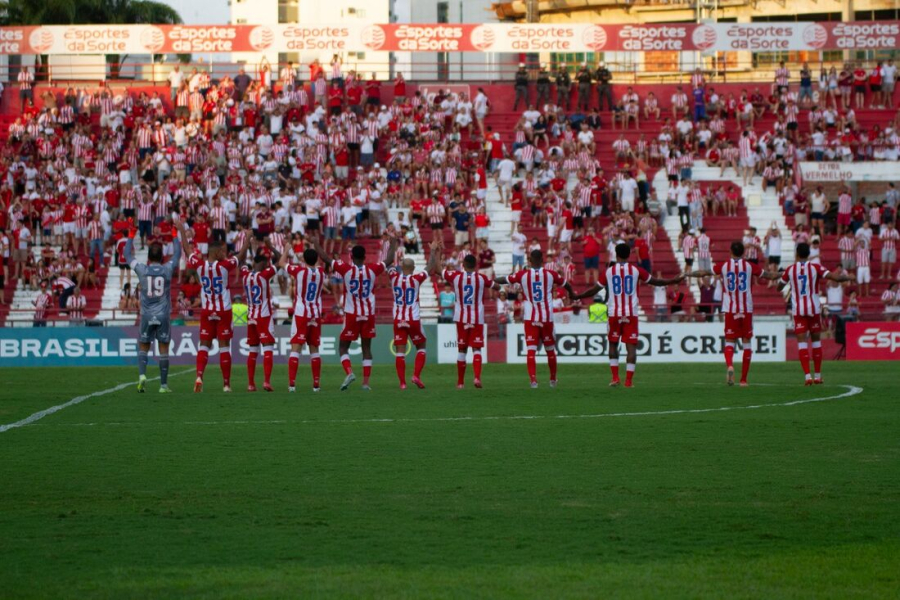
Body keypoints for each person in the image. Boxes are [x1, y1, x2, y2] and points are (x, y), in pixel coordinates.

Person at [570, 243, 683, 387]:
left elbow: (594, 290)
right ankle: (628, 381)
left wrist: (577, 295)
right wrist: (673, 280)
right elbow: (656, 281)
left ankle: (615, 378)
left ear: (616, 255)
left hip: (614, 314)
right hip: (631, 314)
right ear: (629, 255)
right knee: (631, 348)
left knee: (613, 344)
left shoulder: (609, 272)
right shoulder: (636, 270)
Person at [313, 233, 398, 391]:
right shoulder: (372, 269)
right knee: (367, 348)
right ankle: (365, 383)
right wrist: (393, 243)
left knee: (343, 348)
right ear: (365, 257)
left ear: (351, 256)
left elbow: (325, 257)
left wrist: (315, 243)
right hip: (368, 314)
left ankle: (350, 372)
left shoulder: (345, 270)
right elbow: (389, 259)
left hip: (352, 313)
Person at [692, 241, 778, 387]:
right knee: (747, 344)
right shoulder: (750, 266)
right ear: (743, 252)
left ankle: (730, 365)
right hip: (746, 309)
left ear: (730, 251)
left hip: (731, 309)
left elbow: (705, 272)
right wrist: (786, 273)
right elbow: (769, 276)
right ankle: (743, 380)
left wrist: (689, 273)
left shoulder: (724, 266)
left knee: (730, 341)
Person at [495, 249, 572, 388]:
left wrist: (489, 281)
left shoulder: (523, 274)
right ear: (542, 260)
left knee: (531, 350)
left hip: (531, 318)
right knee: (550, 349)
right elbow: (566, 283)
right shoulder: (550, 274)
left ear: (529, 261)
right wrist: (572, 293)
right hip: (546, 318)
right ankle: (553, 380)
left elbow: (504, 279)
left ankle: (533, 381)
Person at [778, 243, 852, 385]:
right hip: (813, 310)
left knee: (802, 344)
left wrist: (785, 281)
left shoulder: (790, 270)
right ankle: (818, 376)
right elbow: (835, 278)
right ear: (808, 254)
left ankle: (807, 377)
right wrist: (849, 278)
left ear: (797, 254)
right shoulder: (815, 267)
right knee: (816, 342)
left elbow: (779, 287)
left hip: (799, 311)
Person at [180, 224, 240, 393]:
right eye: (222, 251)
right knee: (224, 347)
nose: (224, 253)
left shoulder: (200, 265)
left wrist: (181, 231)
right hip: (223, 311)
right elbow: (239, 257)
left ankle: (199, 376)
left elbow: (187, 250)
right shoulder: (224, 266)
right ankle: (226, 384)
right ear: (215, 252)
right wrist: (248, 239)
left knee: (203, 346)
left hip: (207, 310)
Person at [125, 219, 182, 393]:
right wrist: (174, 235)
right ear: (162, 257)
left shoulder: (142, 269)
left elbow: (127, 255)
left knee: (143, 345)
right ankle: (163, 385)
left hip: (147, 314)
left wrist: (130, 235)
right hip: (163, 314)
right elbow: (178, 255)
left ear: (149, 257)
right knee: (163, 348)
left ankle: (142, 375)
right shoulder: (166, 269)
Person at [435, 238, 499, 389]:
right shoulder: (481, 278)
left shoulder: (456, 277)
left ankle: (460, 382)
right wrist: (505, 286)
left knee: (462, 349)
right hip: (477, 318)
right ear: (476, 266)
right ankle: (476, 378)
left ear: (462, 265)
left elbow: (438, 271)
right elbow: (495, 286)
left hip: (461, 318)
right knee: (476, 349)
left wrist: (436, 252)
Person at [389, 241, 442, 389]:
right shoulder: (416, 279)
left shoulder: (394, 277)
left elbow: (388, 264)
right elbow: (430, 266)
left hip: (398, 319)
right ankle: (416, 375)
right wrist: (432, 251)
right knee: (421, 346)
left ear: (401, 267)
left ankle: (402, 383)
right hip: (413, 319)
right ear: (413, 268)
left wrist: (390, 246)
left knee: (400, 352)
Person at [279, 245, 326, 393]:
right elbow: (316, 264)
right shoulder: (321, 272)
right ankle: (316, 385)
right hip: (315, 314)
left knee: (296, 348)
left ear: (304, 260)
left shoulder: (299, 271)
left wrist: (286, 250)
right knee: (315, 349)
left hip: (301, 313)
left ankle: (292, 384)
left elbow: (281, 263)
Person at [240, 238, 278, 392]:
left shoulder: (245, 275)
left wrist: (248, 246)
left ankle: (250, 384)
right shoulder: (264, 275)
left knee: (253, 350)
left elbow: (241, 260)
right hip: (264, 316)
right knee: (268, 347)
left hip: (251, 317)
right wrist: (273, 247)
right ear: (263, 264)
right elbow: (282, 261)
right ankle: (266, 381)